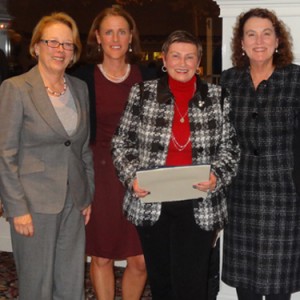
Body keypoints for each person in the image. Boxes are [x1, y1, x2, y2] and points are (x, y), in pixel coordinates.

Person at [111, 30, 240, 300]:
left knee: (191, 285)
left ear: (198, 62)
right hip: (152, 202)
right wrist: (132, 177)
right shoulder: (142, 93)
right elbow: (121, 143)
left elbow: (231, 148)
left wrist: (216, 176)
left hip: (199, 203)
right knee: (162, 282)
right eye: (176, 56)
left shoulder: (218, 97)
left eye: (189, 57)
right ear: (164, 60)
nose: (182, 63)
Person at [0, 12, 94, 300]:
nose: (60, 50)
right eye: (52, 42)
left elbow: (82, 148)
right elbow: (5, 154)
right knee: (37, 285)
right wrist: (17, 208)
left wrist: (87, 194)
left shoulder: (79, 89)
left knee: (71, 282)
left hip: (74, 202)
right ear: (36, 46)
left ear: (74, 52)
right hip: (33, 204)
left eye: (67, 44)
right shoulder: (15, 89)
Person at [221, 8, 300, 300]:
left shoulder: (296, 79)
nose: (259, 41)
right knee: (247, 289)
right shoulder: (228, 82)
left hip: (285, 199)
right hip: (240, 198)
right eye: (251, 34)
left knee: (279, 289)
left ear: (278, 40)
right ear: (241, 43)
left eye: (267, 34)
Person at [72, 6, 147, 300]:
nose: (116, 38)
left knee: (140, 260)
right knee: (101, 256)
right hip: (100, 173)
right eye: (108, 31)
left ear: (131, 37)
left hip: (139, 175)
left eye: (122, 31)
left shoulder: (149, 76)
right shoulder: (81, 78)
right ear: (98, 38)